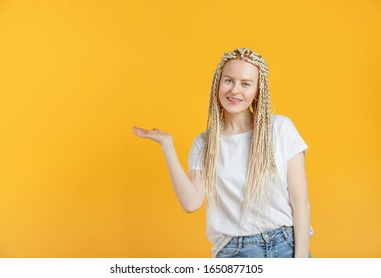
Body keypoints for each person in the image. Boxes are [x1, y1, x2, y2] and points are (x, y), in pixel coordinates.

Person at [132, 48, 313, 258]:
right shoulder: (205, 144)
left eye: (245, 84)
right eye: (229, 80)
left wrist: (300, 265)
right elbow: (191, 202)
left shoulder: (280, 128)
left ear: (257, 91)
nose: (235, 90)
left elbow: (301, 202)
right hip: (236, 252)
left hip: (286, 246)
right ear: (218, 83)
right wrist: (167, 145)